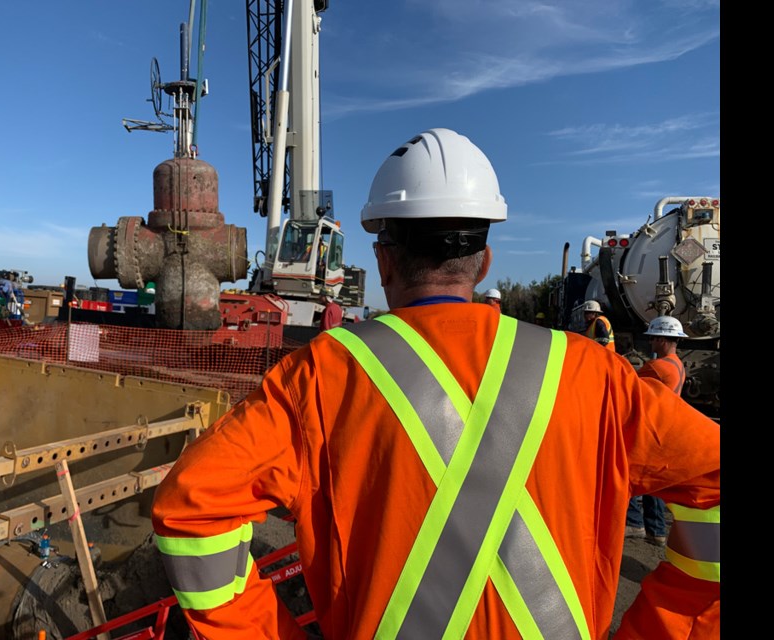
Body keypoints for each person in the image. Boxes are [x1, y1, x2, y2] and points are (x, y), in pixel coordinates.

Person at [151, 128, 719, 639]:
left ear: (384, 262)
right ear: (485, 261)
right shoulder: (592, 373)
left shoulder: (321, 375)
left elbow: (190, 512)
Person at [625, 316, 688, 547]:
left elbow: (628, 386)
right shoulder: (677, 365)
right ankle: (657, 530)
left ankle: (634, 522)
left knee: (628, 473)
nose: (650, 343)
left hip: (650, 430)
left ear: (662, 339)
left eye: (653, 339)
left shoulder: (657, 367)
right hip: (667, 430)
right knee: (654, 483)